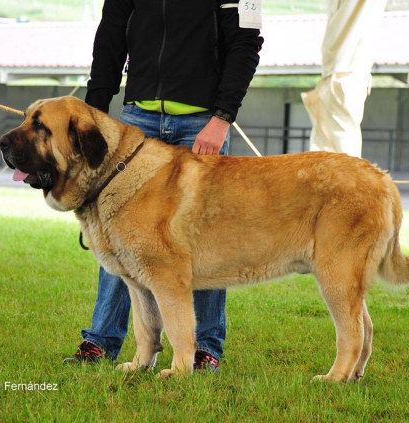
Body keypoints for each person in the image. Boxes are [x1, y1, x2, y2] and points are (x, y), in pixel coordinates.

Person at [63, 0, 263, 372]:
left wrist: (222, 118)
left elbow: (245, 44)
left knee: (202, 240)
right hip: (137, 119)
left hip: (201, 123)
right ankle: (101, 341)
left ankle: (205, 349)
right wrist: (93, 114)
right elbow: (109, 40)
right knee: (116, 237)